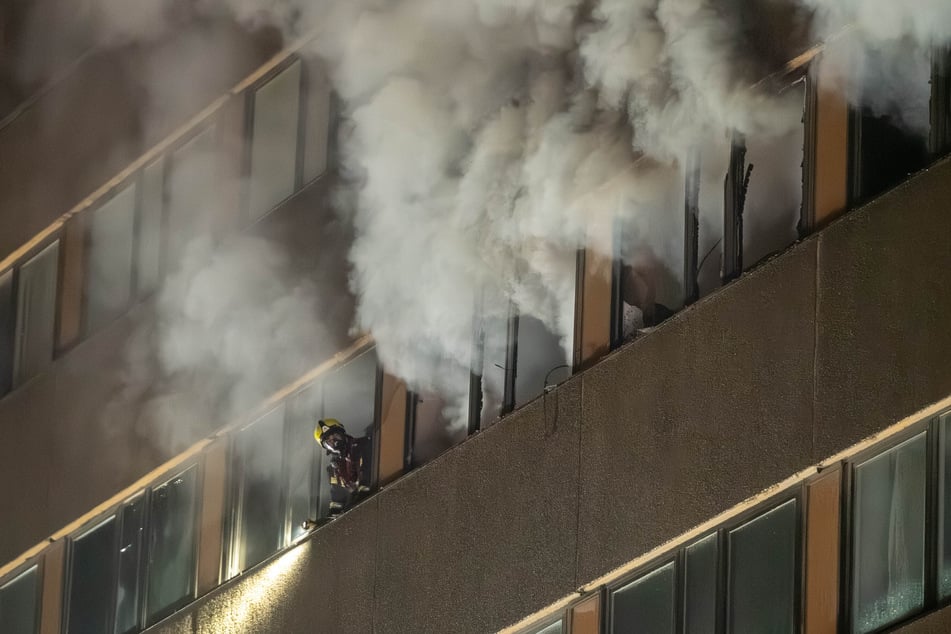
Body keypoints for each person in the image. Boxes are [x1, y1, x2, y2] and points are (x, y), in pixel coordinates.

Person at [313, 418, 367, 494]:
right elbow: (337, 501)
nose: (335, 441)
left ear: (342, 433)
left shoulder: (364, 446)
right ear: (326, 447)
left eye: (335, 435)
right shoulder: (334, 469)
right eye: (329, 441)